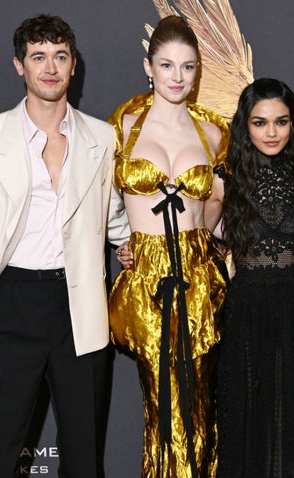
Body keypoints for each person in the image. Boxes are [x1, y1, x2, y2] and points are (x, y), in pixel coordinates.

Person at [0, 15, 130, 477]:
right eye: (38, 57)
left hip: (80, 304)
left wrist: (132, 243)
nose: (50, 67)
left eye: (60, 56)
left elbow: (112, 214)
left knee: (83, 453)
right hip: (9, 301)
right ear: (20, 66)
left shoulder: (103, 137)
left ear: (74, 65)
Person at [108, 15, 229, 478]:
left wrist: (208, 237)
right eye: (167, 65)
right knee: (162, 404)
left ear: (199, 71)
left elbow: (217, 202)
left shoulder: (214, 131)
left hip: (199, 273)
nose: (177, 78)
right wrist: (123, 239)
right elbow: (96, 196)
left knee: (200, 402)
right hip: (149, 278)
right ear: (148, 67)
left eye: (188, 67)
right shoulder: (122, 125)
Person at [215, 77, 294, 477]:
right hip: (247, 308)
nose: (271, 132)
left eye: (281, 121)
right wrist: (132, 245)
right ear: (245, 126)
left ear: (293, 124)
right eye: (260, 123)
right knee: (249, 417)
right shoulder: (225, 175)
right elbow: (196, 231)